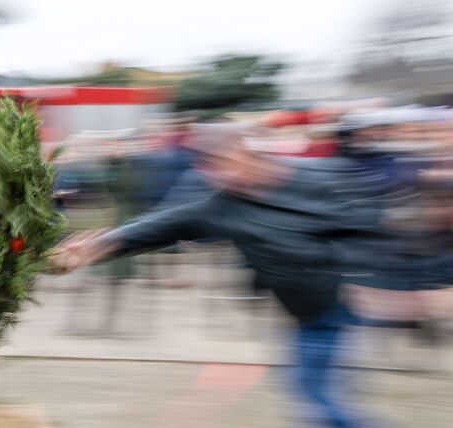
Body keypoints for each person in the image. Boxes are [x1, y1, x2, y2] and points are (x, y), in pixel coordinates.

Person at [49, 122, 392, 427]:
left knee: (316, 392)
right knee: (308, 387)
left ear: (246, 151)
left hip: (337, 307)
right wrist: (99, 246)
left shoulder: (315, 177)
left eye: (224, 163)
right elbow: (165, 225)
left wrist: (370, 281)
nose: (220, 177)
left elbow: (365, 226)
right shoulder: (225, 206)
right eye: (210, 169)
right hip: (304, 313)